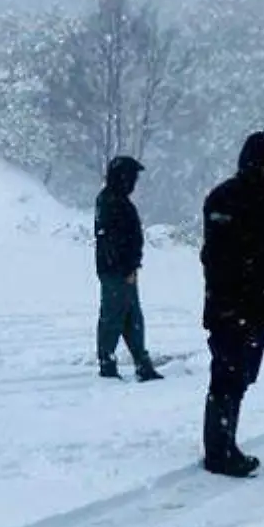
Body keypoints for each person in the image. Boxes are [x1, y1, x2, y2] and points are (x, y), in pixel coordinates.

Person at [199, 130, 264, 478]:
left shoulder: (262, 202)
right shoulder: (230, 200)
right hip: (234, 309)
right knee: (227, 376)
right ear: (256, 167)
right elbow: (218, 259)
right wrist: (230, 306)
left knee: (239, 378)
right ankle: (219, 450)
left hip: (254, 309)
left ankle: (225, 443)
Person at [95, 155, 163, 381]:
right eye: (132, 177)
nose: (134, 182)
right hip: (117, 272)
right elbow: (112, 240)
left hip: (122, 270)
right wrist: (126, 269)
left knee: (131, 317)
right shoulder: (111, 201)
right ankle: (108, 365)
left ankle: (141, 364)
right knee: (114, 317)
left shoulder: (115, 200)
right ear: (123, 178)